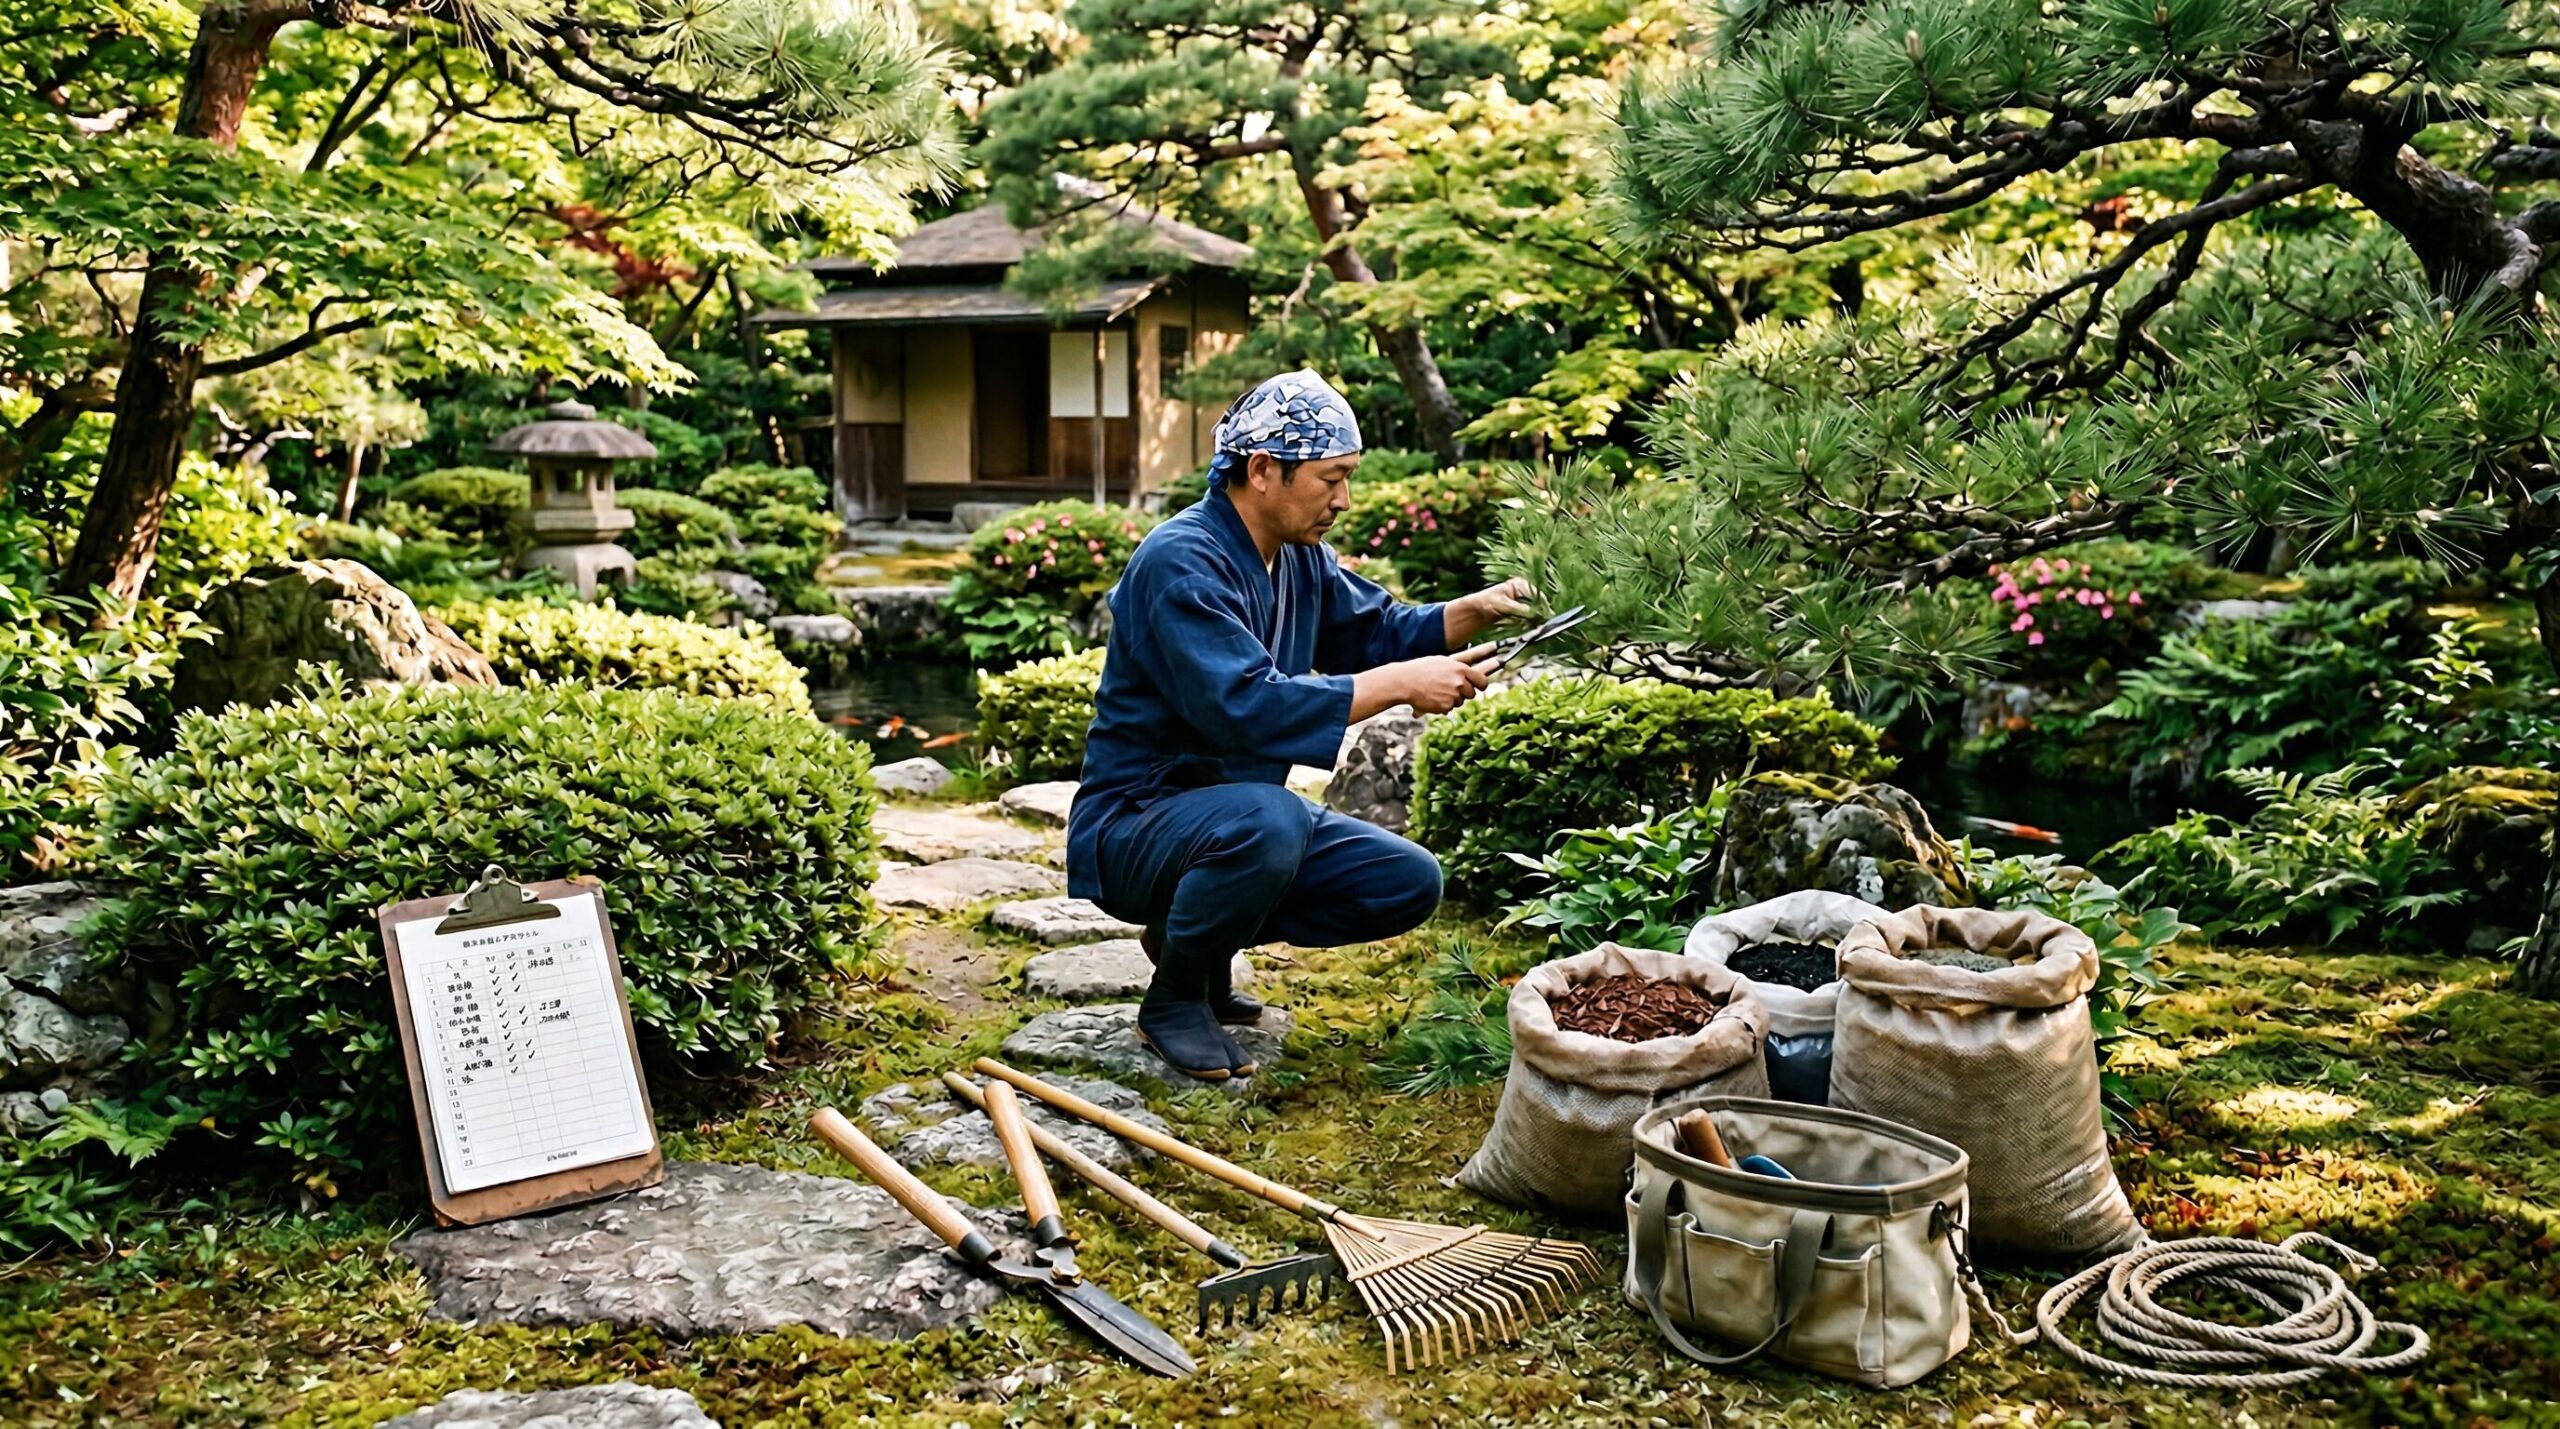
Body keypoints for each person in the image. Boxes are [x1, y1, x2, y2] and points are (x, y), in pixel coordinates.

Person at [1065, 369, 1533, 1081]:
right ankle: (1174, 999)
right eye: (1330, 478)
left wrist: (1477, 608)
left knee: (1406, 880)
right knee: (1272, 820)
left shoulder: (1298, 557)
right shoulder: (1179, 560)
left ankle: (1190, 940)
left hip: (1238, 821)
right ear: (1262, 471)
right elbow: (1246, 704)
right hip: (1134, 825)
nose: (1343, 499)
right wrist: (1403, 685)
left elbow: (1377, 630)